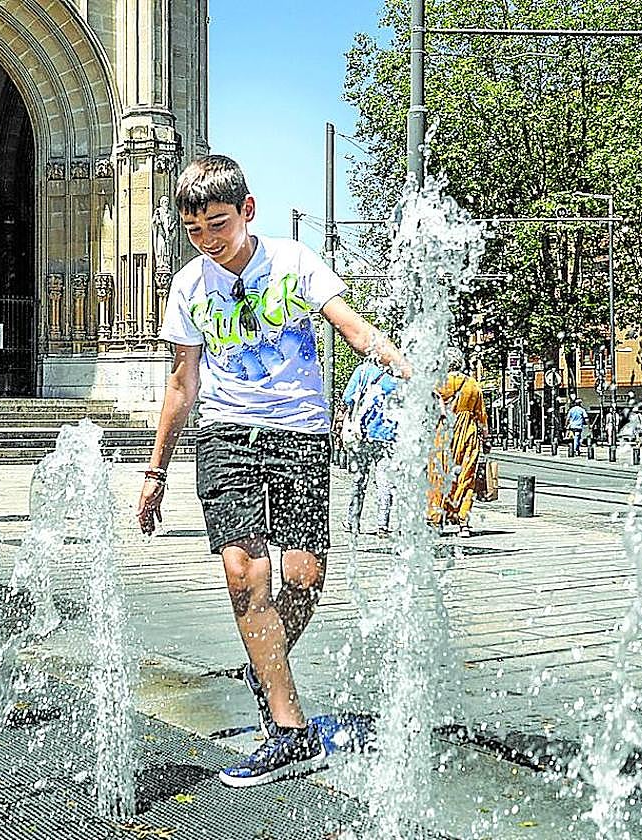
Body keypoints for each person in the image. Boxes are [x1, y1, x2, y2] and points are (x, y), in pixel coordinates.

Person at [135, 155, 407, 788]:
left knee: (304, 577)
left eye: (218, 225)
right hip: (226, 437)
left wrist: (394, 356)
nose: (207, 241)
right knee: (244, 575)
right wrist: (157, 470)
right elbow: (182, 383)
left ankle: (265, 665)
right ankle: (288, 730)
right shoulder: (186, 286)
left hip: (301, 436)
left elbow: (348, 323)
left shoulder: (292, 261)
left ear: (247, 211)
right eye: (194, 229)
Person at [427, 350, 488, 537]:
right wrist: (486, 438)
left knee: (438, 475)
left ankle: (436, 519)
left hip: (443, 434)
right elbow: (481, 416)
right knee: (466, 477)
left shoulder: (438, 383)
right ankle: (463, 523)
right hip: (468, 435)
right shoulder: (472, 385)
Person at [341, 358, 401, 537]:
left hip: (363, 434)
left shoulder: (363, 371)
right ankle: (382, 524)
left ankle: (353, 522)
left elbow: (347, 397)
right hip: (388, 435)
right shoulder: (395, 376)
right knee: (385, 482)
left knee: (359, 479)